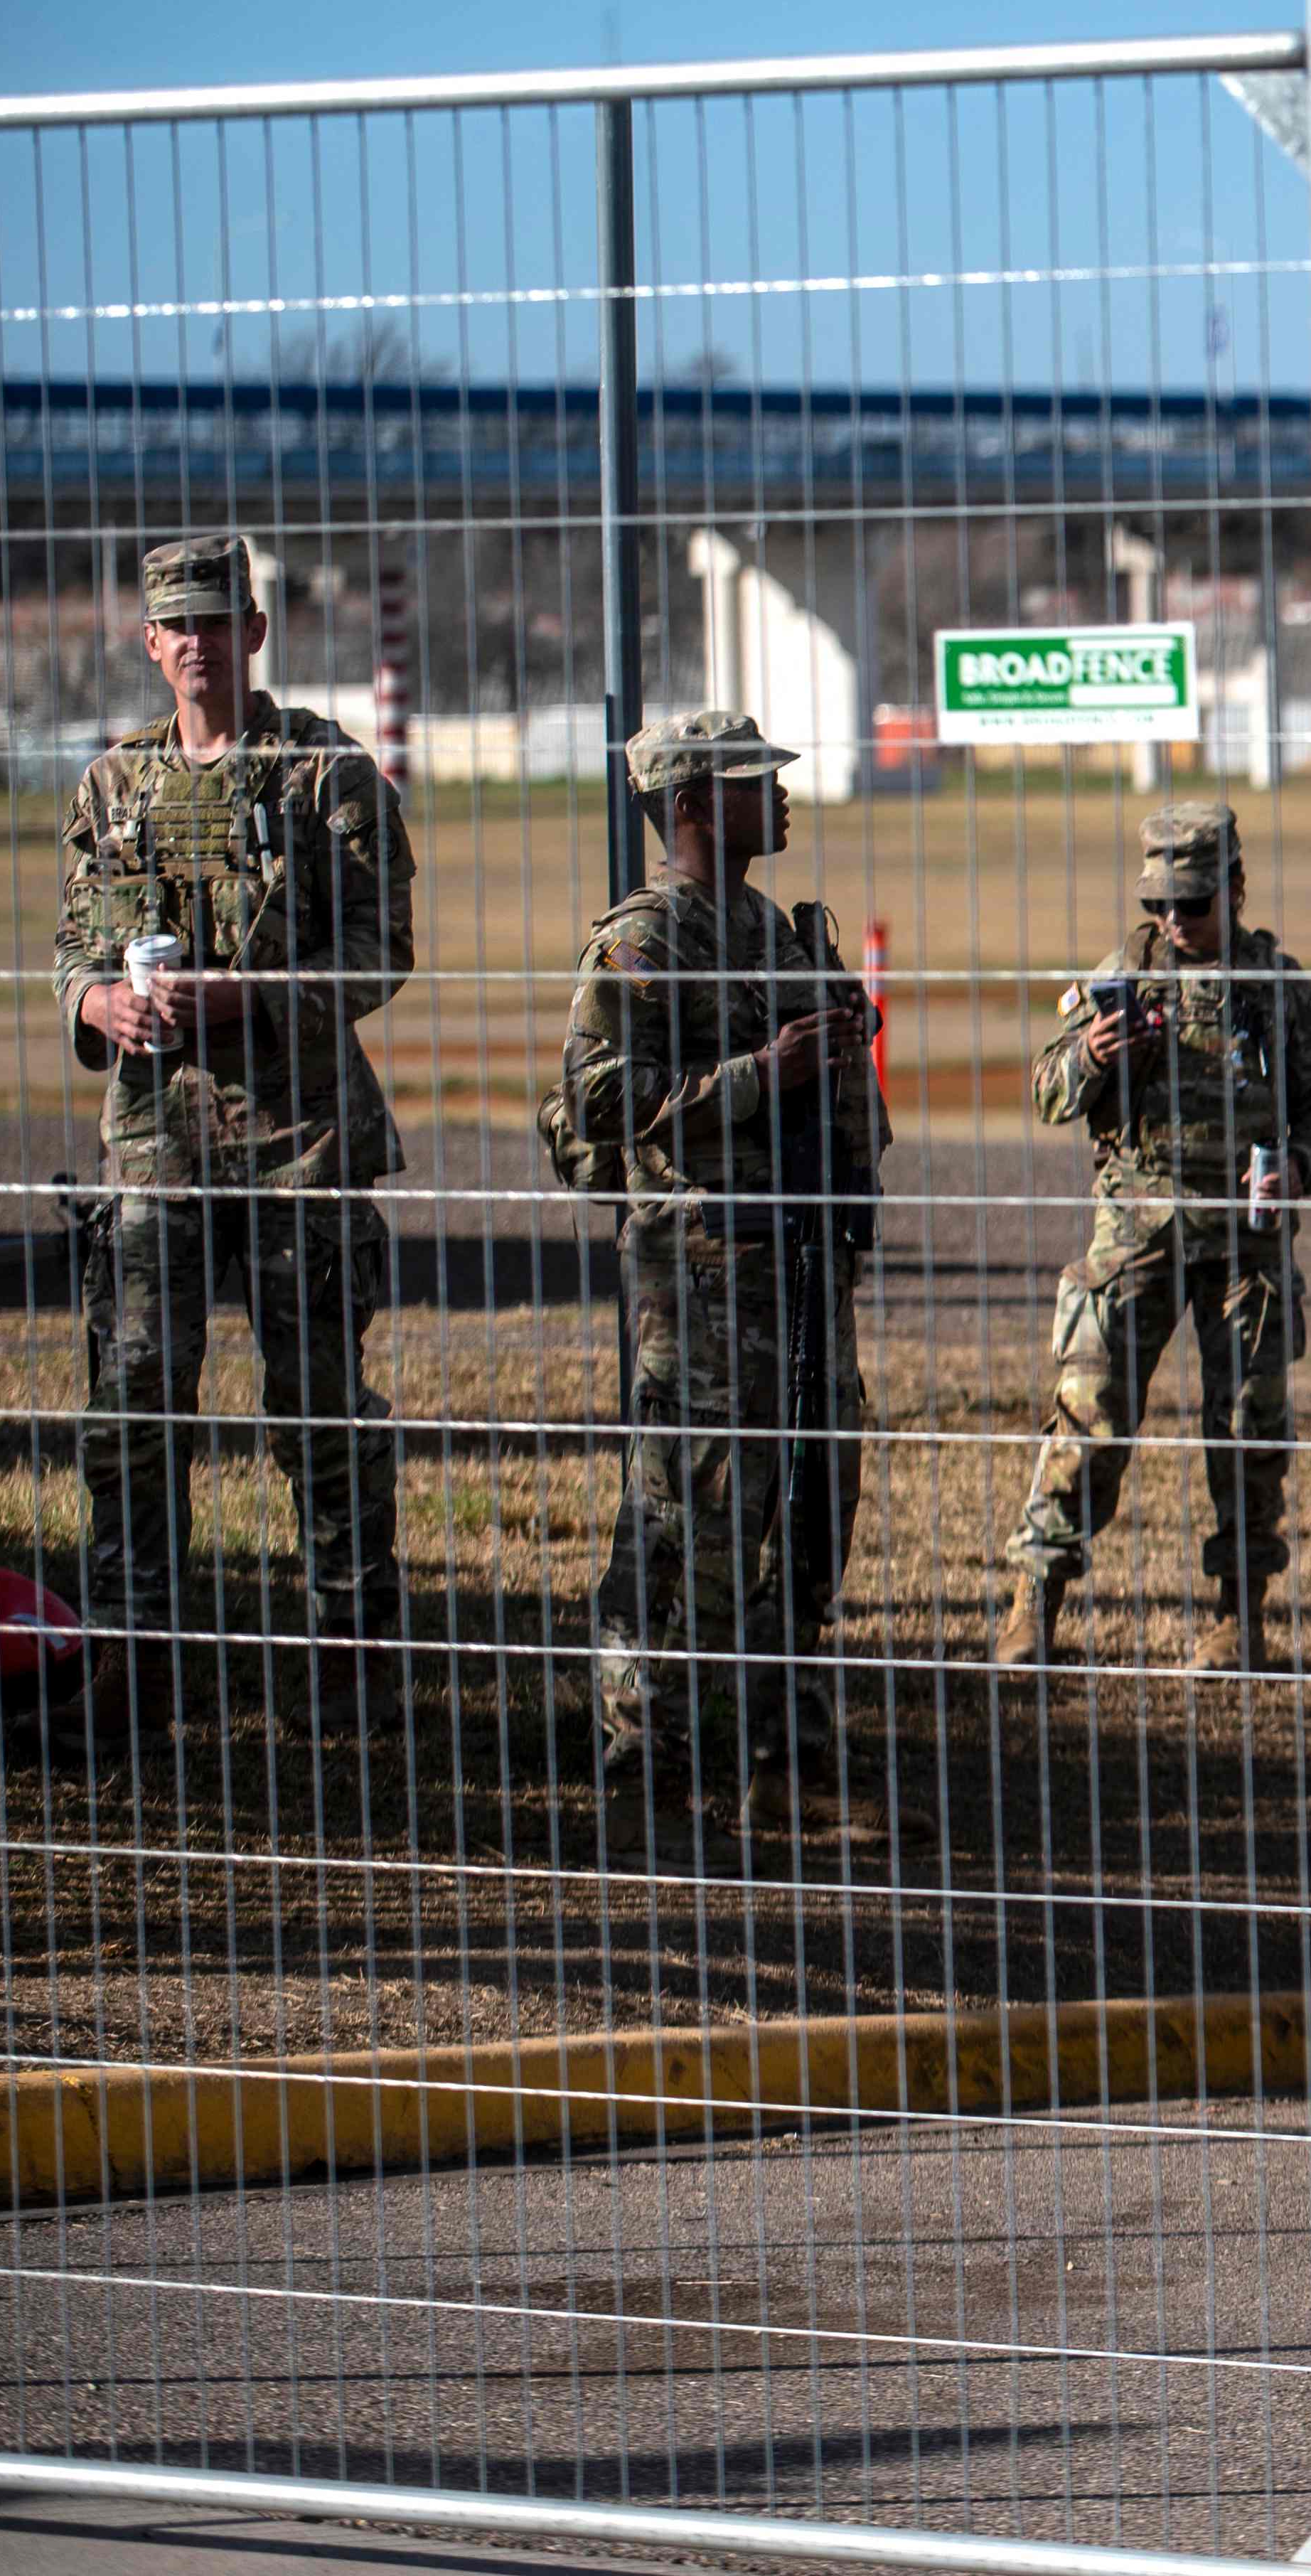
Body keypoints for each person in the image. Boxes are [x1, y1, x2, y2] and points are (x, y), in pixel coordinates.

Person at [53, 534, 417, 1737]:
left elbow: (383, 951)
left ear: (255, 633)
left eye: (221, 618)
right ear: (150, 642)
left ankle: (349, 1656)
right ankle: (135, 1657)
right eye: (179, 624)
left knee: (314, 1400)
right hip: (155, 1139)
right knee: (137, 1397)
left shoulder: (326, 774)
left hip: (296, 1136)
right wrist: (99, 1001)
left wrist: (251, 991)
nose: (200, 640)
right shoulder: (113, 786)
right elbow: (73, 947)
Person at [544, 709, 886, 1845]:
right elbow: (600, 1102)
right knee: (684, 1519)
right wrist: (757, 1074)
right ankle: (650, 1760)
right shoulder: (644, 940)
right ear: (691, 804)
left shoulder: (773, 928)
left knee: (811, 1497)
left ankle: (787, 1760)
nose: (779, 797)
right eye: (753, 782)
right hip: (698, 1275)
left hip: (794, 1263)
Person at [1000, 802, 1311, 1674]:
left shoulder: (1281, 991)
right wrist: (1094, 1057)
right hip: (1135, 1237)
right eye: (1160, 907)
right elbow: (1044, 1092)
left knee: (1248, 1430)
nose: (1174, 923)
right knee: (1089, 1418)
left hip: (1246, 1246)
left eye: (1192, 904)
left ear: (1235, 888)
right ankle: (1034, 1605)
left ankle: (1239, 1618)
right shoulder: (1119, 981)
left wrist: (1300, 1165)